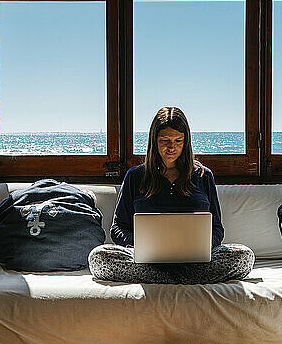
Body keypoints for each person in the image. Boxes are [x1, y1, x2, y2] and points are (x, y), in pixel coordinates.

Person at [88, 107, 255, 284]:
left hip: (195, 261)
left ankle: (162, 278)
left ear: (186, 141)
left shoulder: (203, 176)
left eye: (178, 140)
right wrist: (144, 245)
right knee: (99, 258)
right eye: (165, 140)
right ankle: (182, 278)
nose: (171, 147)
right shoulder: (135, 176)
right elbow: (118, 228)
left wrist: (203, 247)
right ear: (154, 141)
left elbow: (217, 228)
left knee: (243, 256)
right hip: (147, 261)